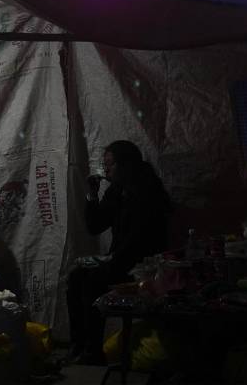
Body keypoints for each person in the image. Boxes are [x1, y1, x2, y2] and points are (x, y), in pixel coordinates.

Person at [66, 140, 171, 364]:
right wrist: (92, 196)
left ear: (127, 164)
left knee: (93, 281)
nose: (106, 170)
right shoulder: (117, 189)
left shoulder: (147, 189)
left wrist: (110, 260)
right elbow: (95, 226)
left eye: (110, 165)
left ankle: (92, 352)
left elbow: (141, 238)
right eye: (105, 165)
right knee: (75, 278)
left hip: (143, 266)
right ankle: (79, 345)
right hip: (120, 260)